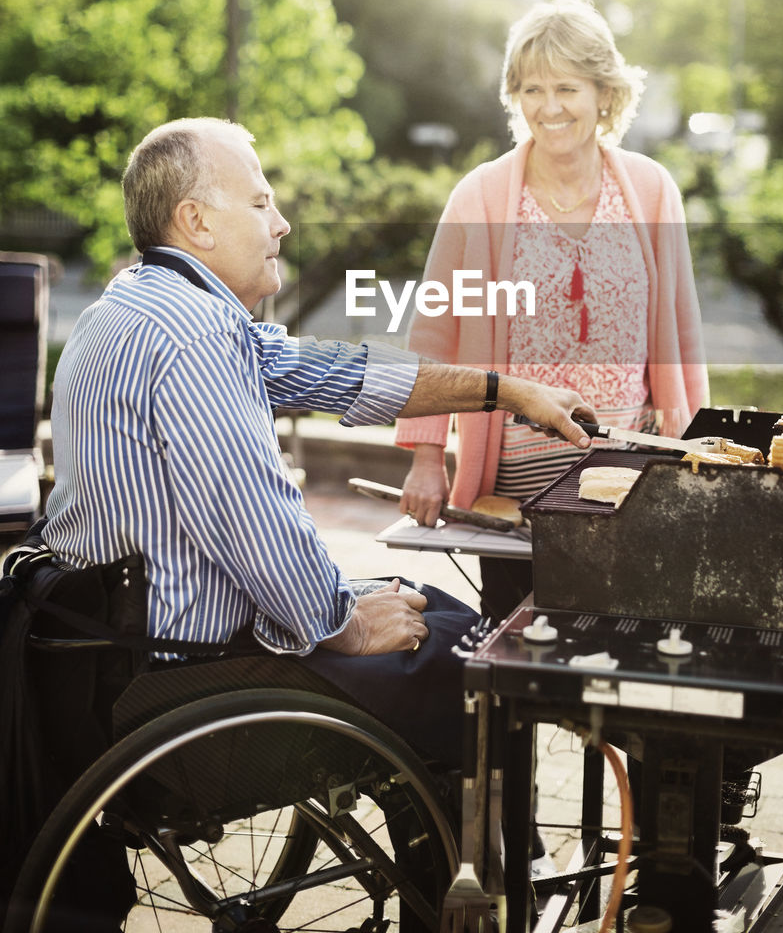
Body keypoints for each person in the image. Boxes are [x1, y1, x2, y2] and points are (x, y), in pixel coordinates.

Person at [38, 116, 595, 771]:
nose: (281, 224)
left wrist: (506, 390)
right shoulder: (198, 337)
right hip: (183, 673)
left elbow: (338, 371)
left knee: (424, 605)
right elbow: (253, 519)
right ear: (196, 222)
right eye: (260, 202)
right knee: (465, 654)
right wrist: (346, 621)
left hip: (111, 650)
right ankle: (486, 866)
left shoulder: (131, 305)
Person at [396, 0, 708, 619]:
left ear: (604, 94)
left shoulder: (649, 190)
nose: (550, 106)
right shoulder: (480, 198)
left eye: (567, 88)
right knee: (517, 667)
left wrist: (697, 450)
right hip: (514, 498)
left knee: (621, 661)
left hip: (628, 481)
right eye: (532, 89)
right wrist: (428, 459)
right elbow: (436, 332)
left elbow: (681, 328)